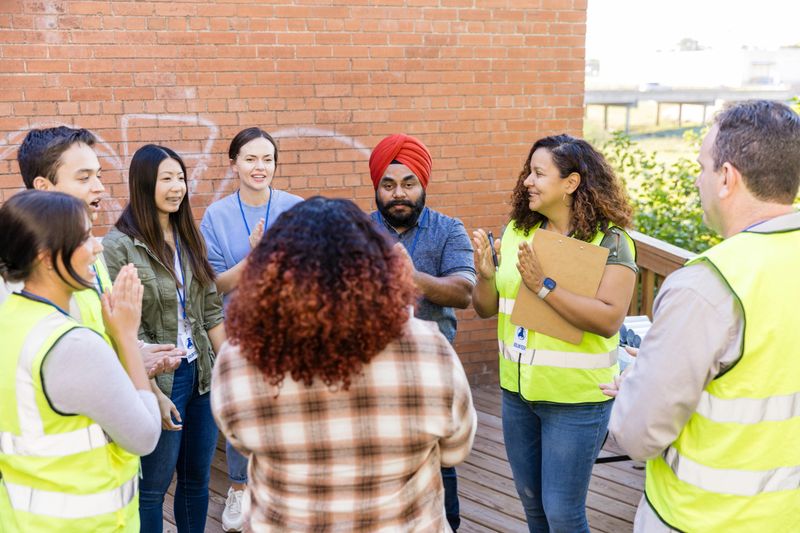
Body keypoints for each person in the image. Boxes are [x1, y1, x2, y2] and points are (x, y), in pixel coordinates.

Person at [211, 197, 476, 532]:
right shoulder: (427, 347)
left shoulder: (240, 357)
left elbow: (241, 441)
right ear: (374, 264)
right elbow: (455, 449)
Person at [602, 100, 800, 532]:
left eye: (702, 166)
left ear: (727, 178)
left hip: (699, 520)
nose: (697, 179)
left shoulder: (707, 286)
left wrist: (639, 386)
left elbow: (638, 436)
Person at [471, 134, 638, 532]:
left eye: (539, 173)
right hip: (517, 395)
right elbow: (486, 307)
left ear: (571, 183)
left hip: (577, 401)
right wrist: (485, 277)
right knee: (533, 509)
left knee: (563, 513)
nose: (528, 180)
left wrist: (544, 286)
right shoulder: (517, 231)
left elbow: (609, 319)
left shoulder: (612, 241)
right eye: (529, 172)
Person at [0, 190, 161, 532]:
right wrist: (127, 338)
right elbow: (144, 437)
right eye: (85, 238)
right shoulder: (73, 345)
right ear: (46, 257)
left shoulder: (9, 320)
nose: (98, 247)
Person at [103, 145, 226, 533]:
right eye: (166, 179)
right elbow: (121, 327)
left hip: (201, 373)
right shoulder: (119, 245)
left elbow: (209, 311)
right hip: (160, 377)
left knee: (196, 481)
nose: (178, 188)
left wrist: (231, 369)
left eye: (181, 178)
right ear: (144, 184)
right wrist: (151, 390)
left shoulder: (188, 235)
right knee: (153, 489)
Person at [368, 133, 476, 531]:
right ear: (377, 187)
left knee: (440, 469)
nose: (399, 193)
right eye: (389, 184)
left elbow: (464, 292)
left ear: (423, 185)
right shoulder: (358, 231)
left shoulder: (449, 230)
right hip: (368, 376)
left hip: (433, 372)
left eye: (409, 183)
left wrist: (412, 277)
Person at [16, 126, 183, 376]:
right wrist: (129, 362)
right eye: (84, 178)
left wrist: (138, 353)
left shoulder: (90, 248)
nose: (99, 188)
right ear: (44, 187)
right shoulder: (18, 269)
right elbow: (51, 366)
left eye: (99, 175)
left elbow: (103, 332)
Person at [200, 127, 302, 532]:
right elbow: (215, 285)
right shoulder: (216, 215)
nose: (260, 167)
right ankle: (240, 488)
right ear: (234, 163)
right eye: (250, 159)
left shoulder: (295, 208)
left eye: (267, 159)